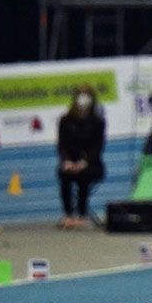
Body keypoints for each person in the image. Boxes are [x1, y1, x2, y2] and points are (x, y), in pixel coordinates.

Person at [55, 85, 107, 229]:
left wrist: (85, 162)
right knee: (64, 174)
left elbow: (98, 147)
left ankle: (82, 214)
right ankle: (68, 214)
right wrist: (66, 161)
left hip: (91, 163)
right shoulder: (65, 120)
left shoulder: (98, 122)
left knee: (84, 176)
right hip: (70, 161)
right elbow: (61, 145)